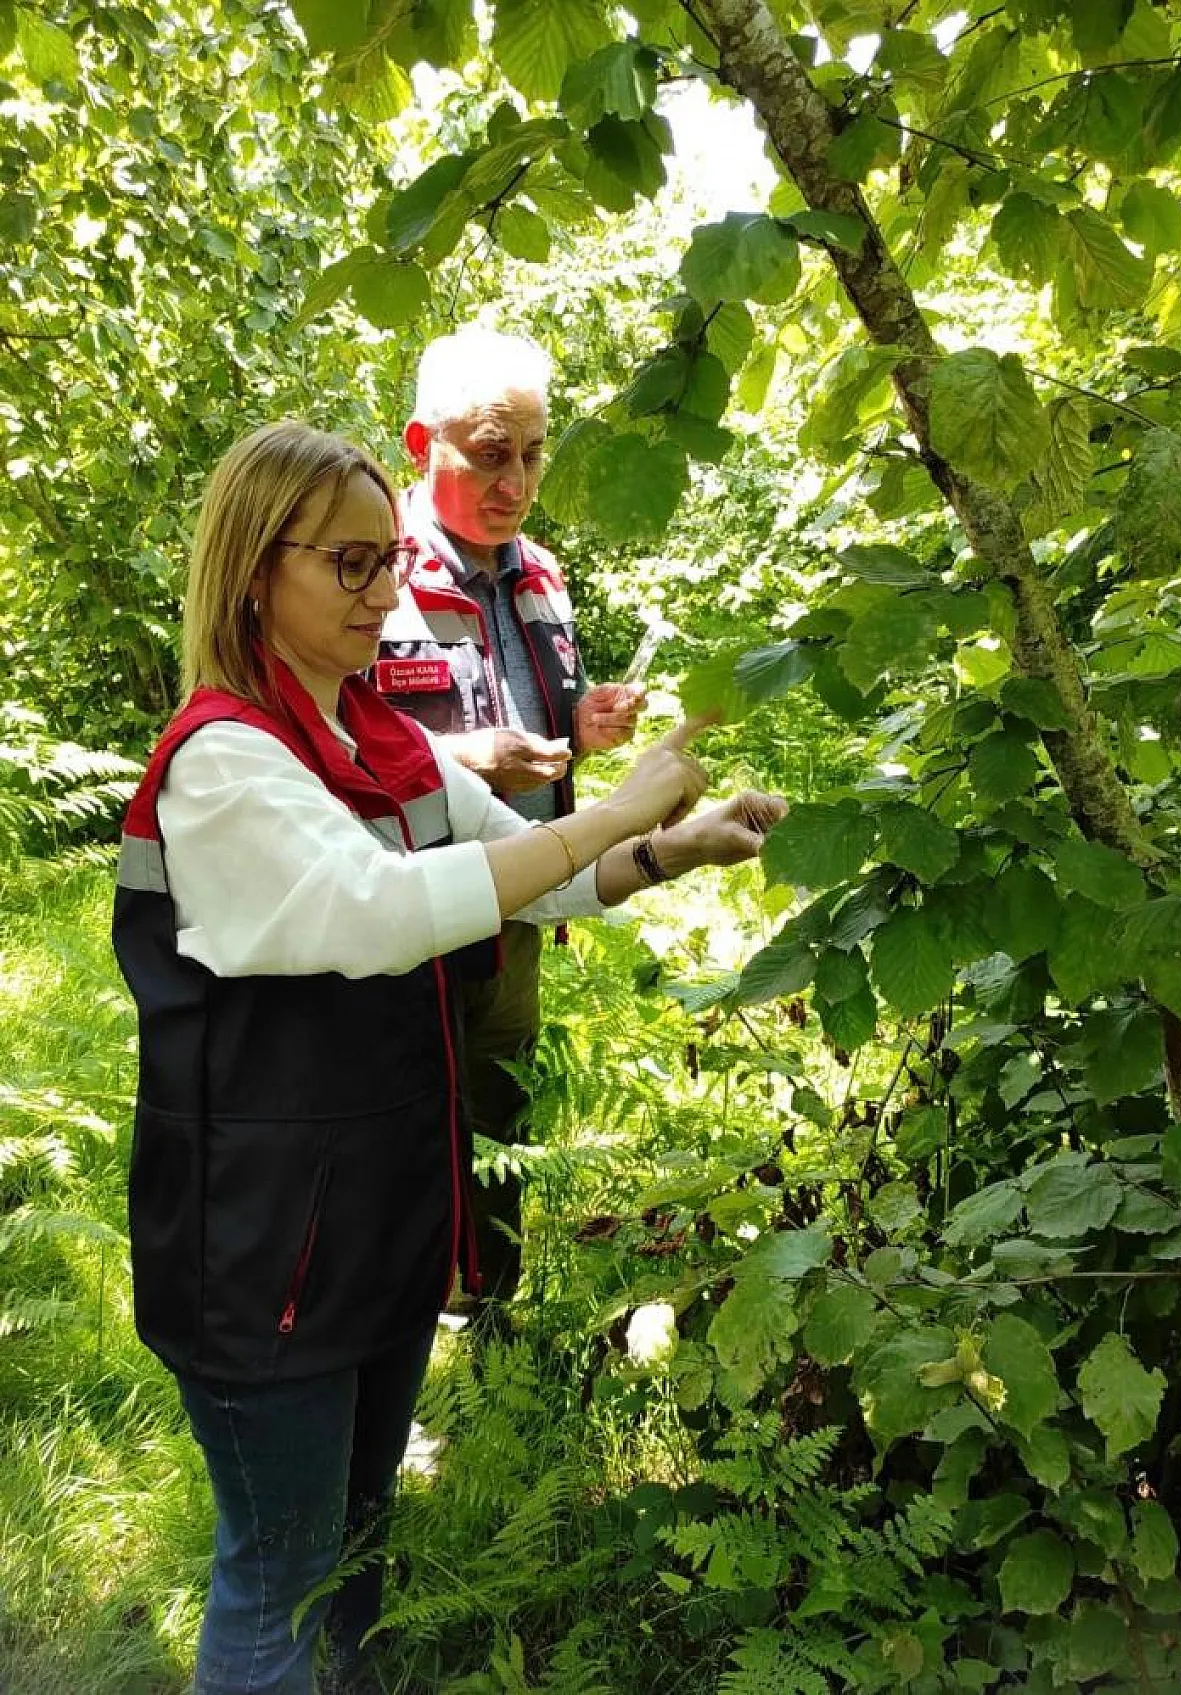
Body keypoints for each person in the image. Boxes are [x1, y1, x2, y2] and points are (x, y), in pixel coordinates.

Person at [112, 420, 784, 1695]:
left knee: (357, 1542)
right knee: (279, 1575)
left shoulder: (383, 736)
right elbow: (381, 914)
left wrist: (666, 847)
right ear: (254, 569)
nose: (386, 592)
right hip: (260, 1248)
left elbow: (528, 881)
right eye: (350, 564)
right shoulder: (223, 760)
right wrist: (613, 809)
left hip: (375, 1218)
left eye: (389, 561)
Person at [373, 326, 641, 1312]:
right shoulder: (371, 572)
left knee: (500, 1115)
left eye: (533, 453)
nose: (516, 482)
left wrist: (583, 725)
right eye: (492, 454)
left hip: (520, 904)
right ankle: (405, 1318)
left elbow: (544, 715)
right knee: (404, 1116)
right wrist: (467, 759)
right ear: (422, 444)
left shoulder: (542, 575)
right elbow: (327, 754)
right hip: (405, 913)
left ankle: (490, 1307)